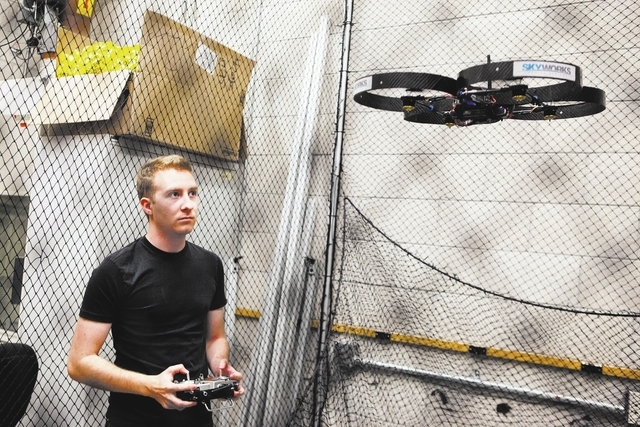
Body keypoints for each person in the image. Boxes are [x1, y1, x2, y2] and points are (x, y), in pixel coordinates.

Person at [67, 154, 243, 427]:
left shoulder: (210, 265)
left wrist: (220, 365)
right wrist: (151, 386)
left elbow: (214, 337)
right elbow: (79, 363)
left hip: (197, 419)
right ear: (147, 205)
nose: (188, 204)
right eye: (174, 194)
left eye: (192, 193)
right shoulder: (116, 270)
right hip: (135, 420)